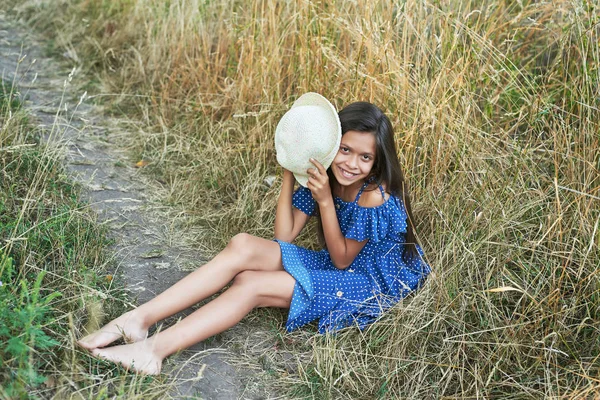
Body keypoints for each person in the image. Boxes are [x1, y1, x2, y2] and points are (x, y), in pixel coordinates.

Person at [78, 97, 430, 375]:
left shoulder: (374, 195)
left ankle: (152, 352)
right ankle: (138, 321)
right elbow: (284, 236)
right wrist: (291, 170)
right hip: (340, 266)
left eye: (365, 157)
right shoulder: (327, 174)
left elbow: (343, 260)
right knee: (243, 245)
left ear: (377, 161)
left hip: (368, 284)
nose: (352, 163)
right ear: (333, 144)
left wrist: (325, 202)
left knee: (250, 283)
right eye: (346, 149)